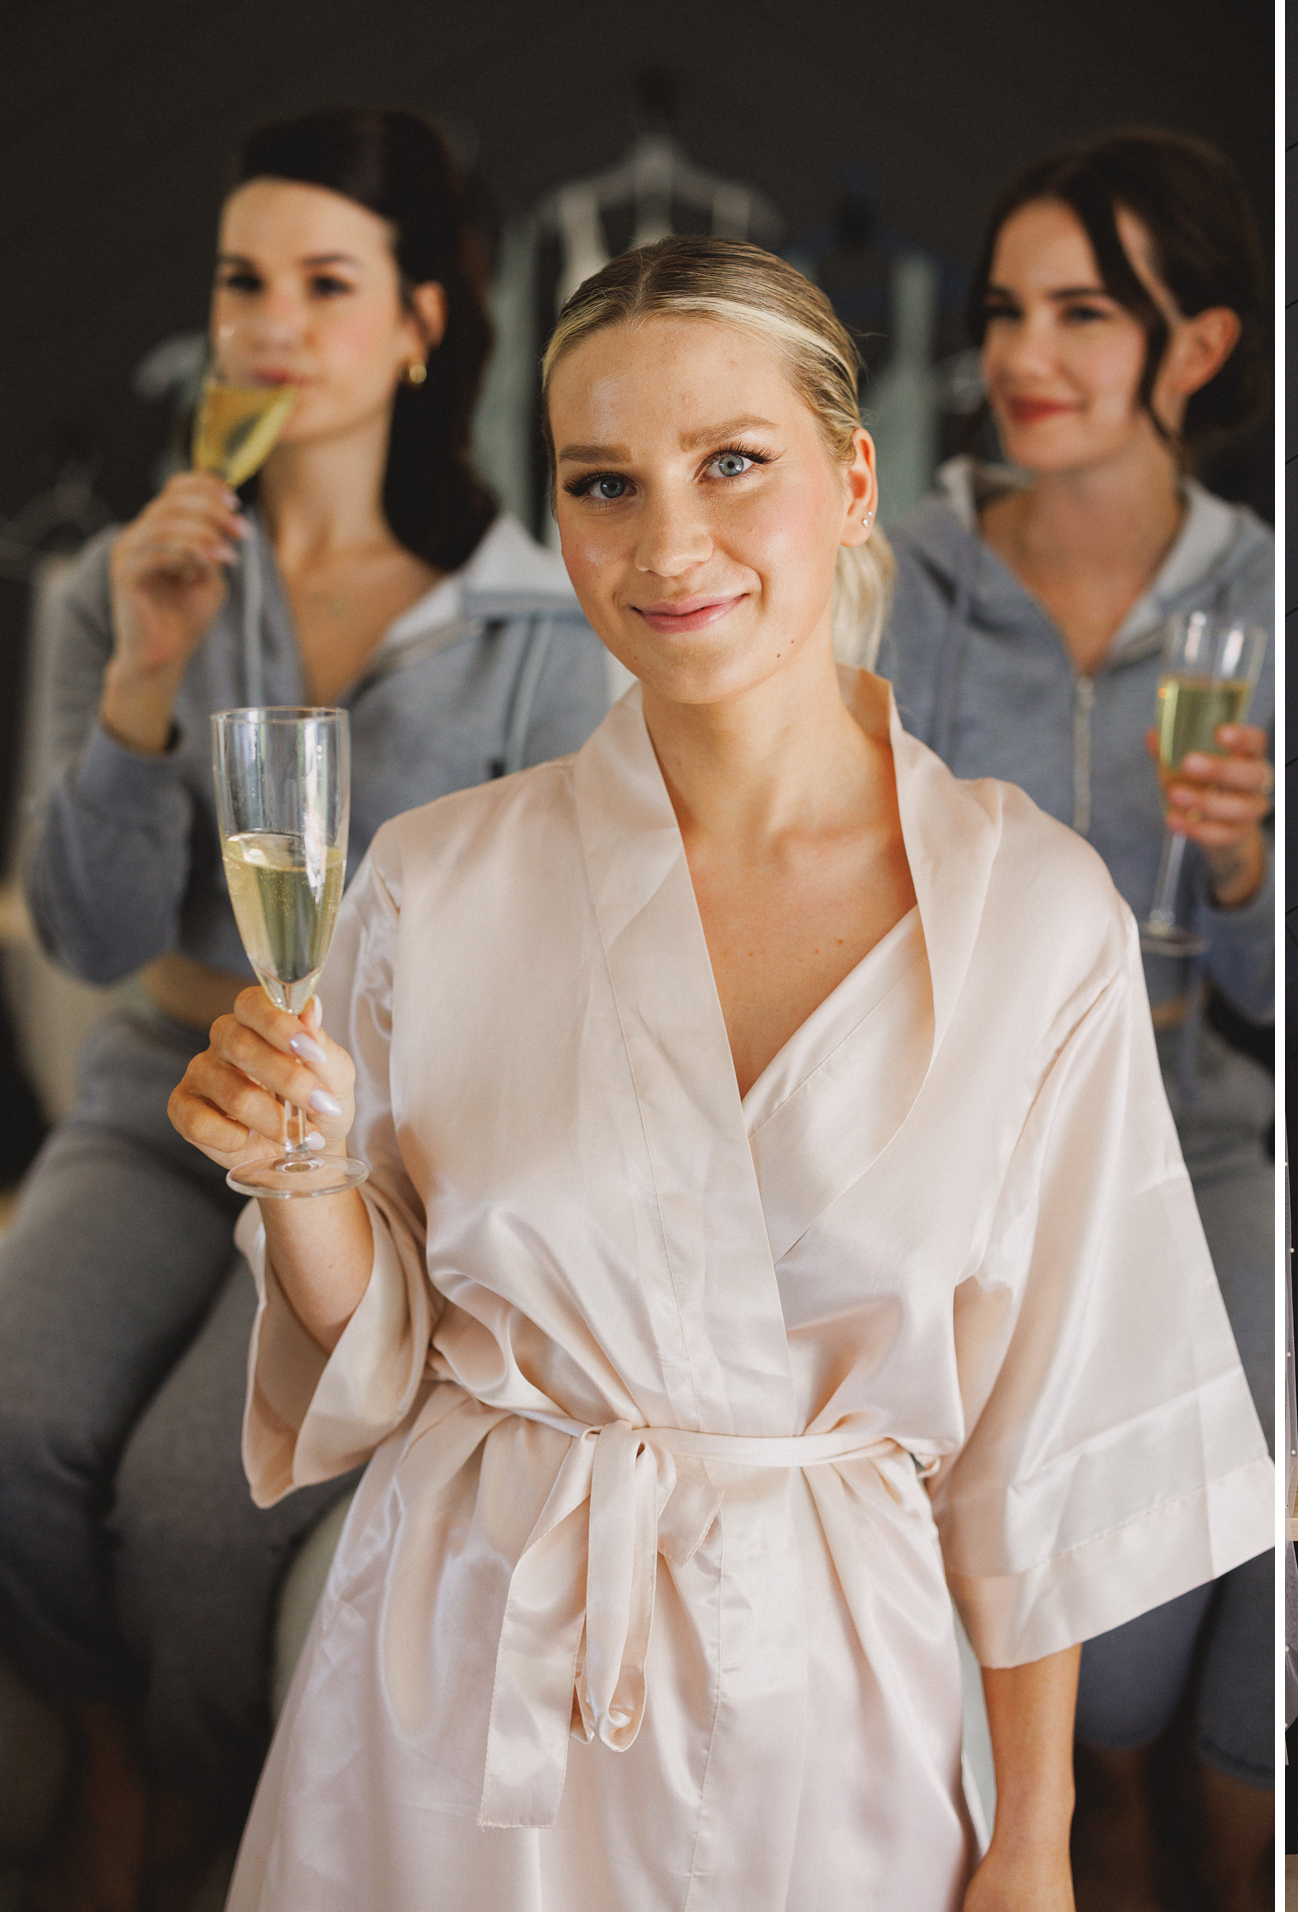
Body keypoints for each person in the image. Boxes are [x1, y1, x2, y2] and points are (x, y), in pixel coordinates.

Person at [167, 234, 1271, 1912]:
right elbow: (380, 1364)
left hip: (828, 1707)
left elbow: (1044, 1437)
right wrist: (297, 1176)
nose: (666, 544)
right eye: (603, 483)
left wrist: (1035, 1834)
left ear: (850, 482)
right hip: (454, 1685)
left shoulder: (1030, 915)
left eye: (731, 464)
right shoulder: (432, 879)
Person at [0, 108, 610, 1912]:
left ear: (423, 322)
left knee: (196, 1514)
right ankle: (113, 1745)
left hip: (376, 1146)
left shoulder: (537, 626)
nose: (270, 323)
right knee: (16, 1430)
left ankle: (191, 1793)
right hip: (149, 1093)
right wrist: (140, 672)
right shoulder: (121, 586)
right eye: (241, 280)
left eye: (325, 284)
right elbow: (92, 930)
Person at [875, 128, 1276, 1912]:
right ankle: (1102, 1796)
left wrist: (1254, 873)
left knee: (1271, 1542)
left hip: (1213, 1141)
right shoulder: (896, 584)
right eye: (1006, 311)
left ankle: (1228, 1835)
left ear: (1196, 346)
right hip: (974, 1158)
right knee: (1106, 1660)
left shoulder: (1266, 601)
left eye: (1083, 313)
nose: (1024, 356)